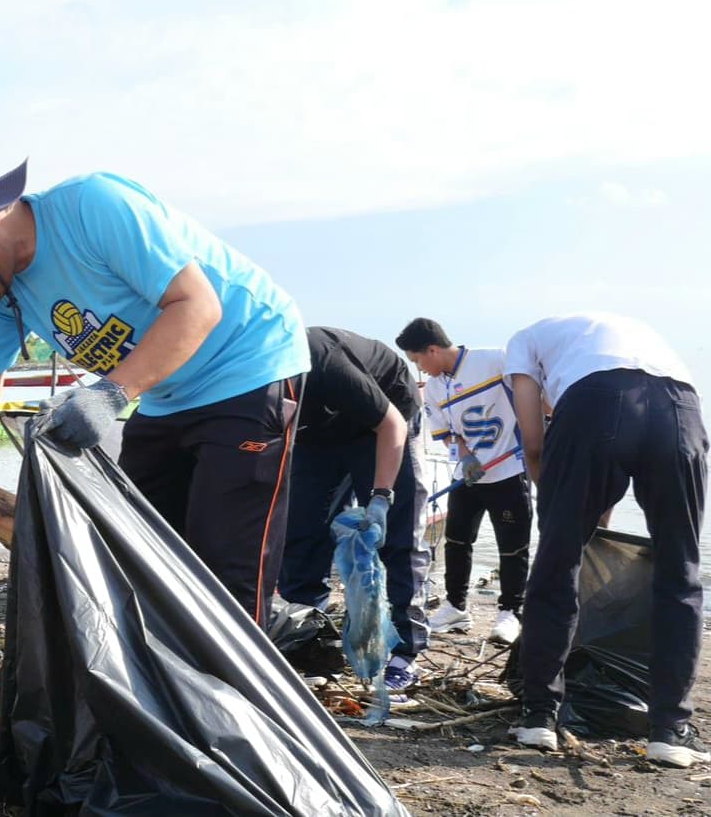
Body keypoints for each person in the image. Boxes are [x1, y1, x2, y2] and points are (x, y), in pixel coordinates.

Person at [0, 157, 308, 625]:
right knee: (136, 553)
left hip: (247, 365)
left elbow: (197, 305)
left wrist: (111, 393)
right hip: (165, 394)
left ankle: (243, 666)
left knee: (226, 567)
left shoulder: (92, 207)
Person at [504, 312, 707, 767]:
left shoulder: (523, 340)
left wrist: (559, 515)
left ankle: (539, 718)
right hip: (681, 409)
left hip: (594, 403)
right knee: (681, 572)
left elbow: (534, 443)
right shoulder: (624, 335)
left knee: (557, 565)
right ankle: (669, 731)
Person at [280, 327, 430, 693]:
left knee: (397, 535)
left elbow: (391, 424)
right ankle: (308, 643)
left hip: (385, 418)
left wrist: (380, 497)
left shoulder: (322, 359)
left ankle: (405, 653)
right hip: (318, 435)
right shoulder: (241, 385)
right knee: (302, 532)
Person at [396, 317, 531, 646]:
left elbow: (533, 394)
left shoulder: (496, 360)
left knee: (512, 546)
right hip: (468, 476)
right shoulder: (434, 388)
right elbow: (446, 432)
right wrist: (466, 456)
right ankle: (456, 607)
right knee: (457, 542)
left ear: (432, 350)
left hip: (508, 471)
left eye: (417, 360)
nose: (419, 369)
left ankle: (510, 612)